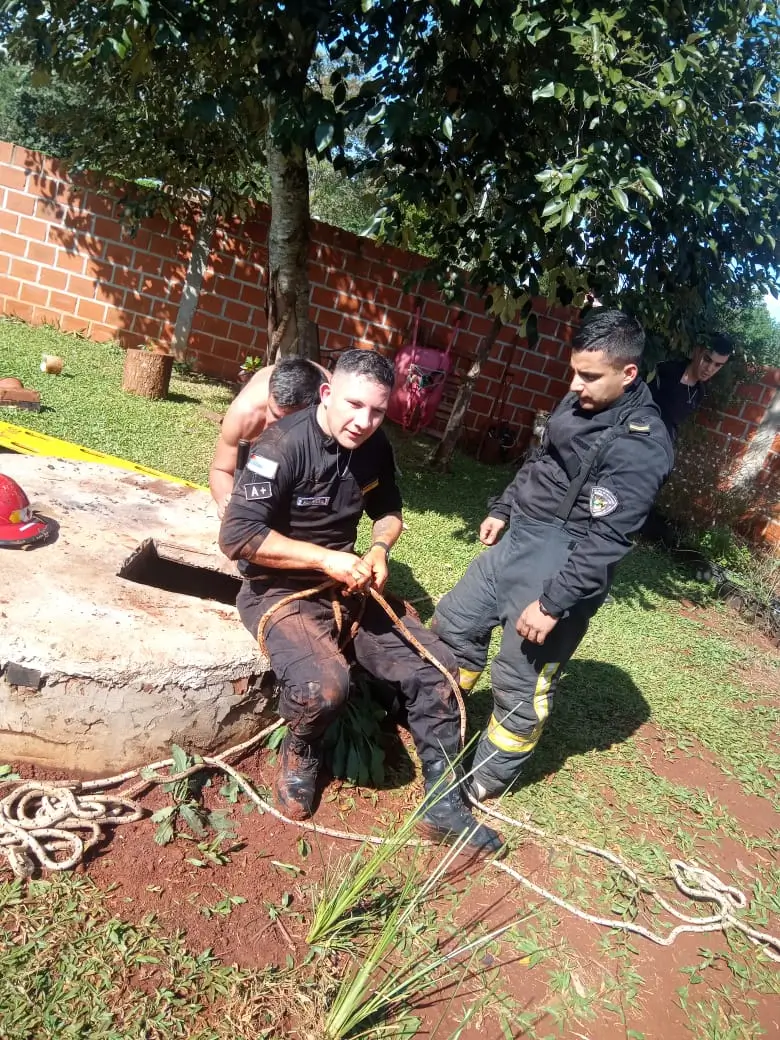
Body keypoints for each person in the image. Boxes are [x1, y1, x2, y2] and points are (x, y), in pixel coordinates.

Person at [218, 348, 501, 852]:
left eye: (376, 411)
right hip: (279, 590)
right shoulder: (280, 445)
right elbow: (238, 537)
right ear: (327, 394)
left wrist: (379, 549)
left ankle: (443, 805)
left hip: (350, 586)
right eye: (353, 405)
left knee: (438, 670)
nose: (363, 421)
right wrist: (326, 559)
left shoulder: (373, 445)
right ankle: (301, 750)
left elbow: (389, 510)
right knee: (324, 689)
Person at [431, 310, 674, 801]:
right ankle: (439, 715)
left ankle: (485, 779)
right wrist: (504, 507)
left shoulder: (641, 446)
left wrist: (552, 603)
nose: (575, 384)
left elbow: (608, 539)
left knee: (520, 679)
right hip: (519, 537)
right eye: (574, 371)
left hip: (563, 558)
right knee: (455, 624)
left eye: (589, 375)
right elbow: (542, 460)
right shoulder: (580, 398)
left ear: (628, 373)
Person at [209, 357, 329, 517]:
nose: (281, 426)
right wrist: (226, 500)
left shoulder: (329, 417)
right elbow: (221, 470)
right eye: (275, 415)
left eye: (290, 421)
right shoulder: (244, 414)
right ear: (269, 397)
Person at [647, 333, 734, 442]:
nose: (710, 369)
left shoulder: (699, 392)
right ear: (697, 351)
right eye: (707, 359)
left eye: (717, 365)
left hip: (661, 445)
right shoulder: (667, 371)